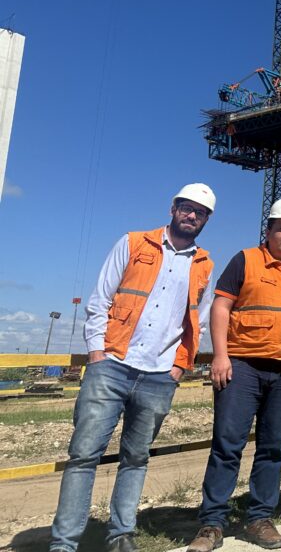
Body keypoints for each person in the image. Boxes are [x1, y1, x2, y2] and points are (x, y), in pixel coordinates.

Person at [50, 184, 216, 552]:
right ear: (173, 208)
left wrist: (179, 368)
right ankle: (64, 543)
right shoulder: (133, 243)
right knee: (84, 455)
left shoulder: (204, 264)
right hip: (112, 365)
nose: (192, 215)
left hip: (160, 375)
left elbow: (199, 323)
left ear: (206, 220)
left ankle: (121, 534)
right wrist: (97, 354)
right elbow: (100, 300)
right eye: (186, 208)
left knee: (136, 458)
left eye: (200, 212)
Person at [187, 197, 281, 552]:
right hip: (243, 366)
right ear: (268, 231)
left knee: (273, 447)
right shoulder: (246, 260)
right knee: (227, 444)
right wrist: (221, 355)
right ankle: (212, 523)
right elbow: (221, 306)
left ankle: (260, 518)